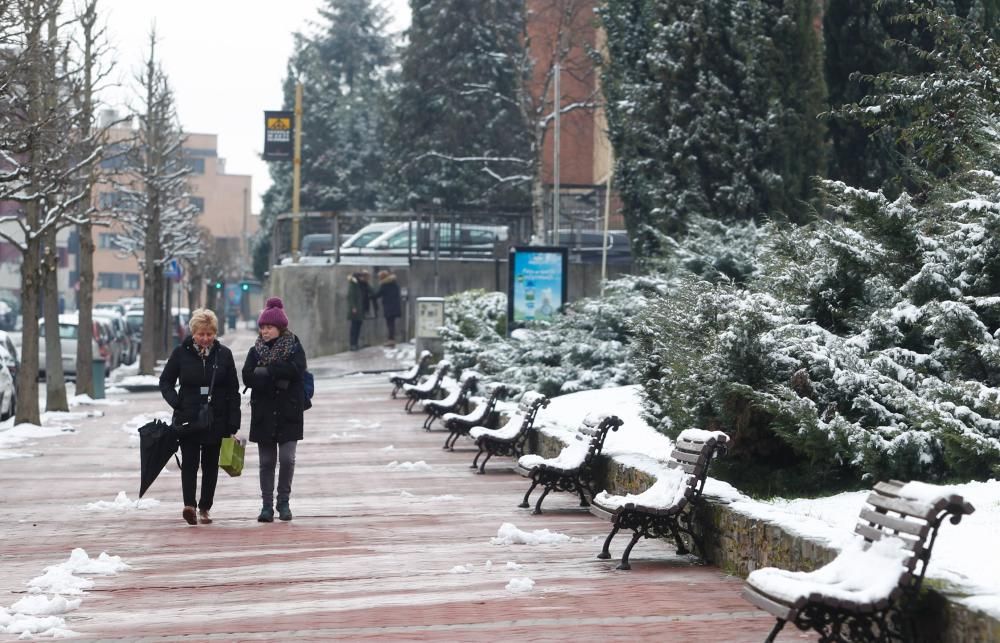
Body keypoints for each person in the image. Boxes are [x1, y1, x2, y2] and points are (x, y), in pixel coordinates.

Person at [158, 308, 240, 526]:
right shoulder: (180, 353)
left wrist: (233, 421)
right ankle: (189, 506)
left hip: (217, 418)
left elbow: (234, 389)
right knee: (190, 463)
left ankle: (205, 506)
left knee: (211, 464)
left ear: (215, 333)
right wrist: (177, 403)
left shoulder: (224, 355)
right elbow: (165, 381)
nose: (205, 338)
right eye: (201, 334)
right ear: (192, 332)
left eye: (209, 334)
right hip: (189, 418)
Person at [242, 297, 307, 522]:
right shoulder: (255, 350)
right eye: (262, 327)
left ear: (280, 328)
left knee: (287, 459)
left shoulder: (294, 347)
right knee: (266, 462)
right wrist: (273, 374)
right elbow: (247, 376)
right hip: (264, 413)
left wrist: (269, 371)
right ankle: (267, 505)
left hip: (289, 412)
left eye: (269, 327)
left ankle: (284, 501)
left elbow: (297, 371)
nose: (265, 331)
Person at [372, 269, 402, 347]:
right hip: (395, 306)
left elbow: (378, 294)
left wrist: (371, 295)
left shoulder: (385, 285)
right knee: (392, 323)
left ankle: (391, 340)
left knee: (390, 324)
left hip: (389, 307)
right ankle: (391, 339)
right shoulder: (394, 283)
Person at [347, 271, 372, 351]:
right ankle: (353, 344)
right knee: (354, 327)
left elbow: (372, 291)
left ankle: (355, 343)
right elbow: (351, 296)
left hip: (361, 309)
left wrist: (367, 283)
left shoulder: (363, 284)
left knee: (358, 327)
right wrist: (353, 307)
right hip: (356, 310)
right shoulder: (354, 285)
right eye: (362, 277)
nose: (363, 278)